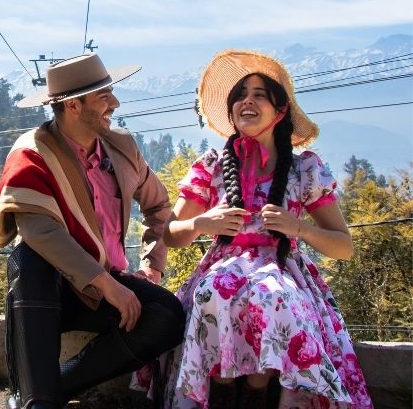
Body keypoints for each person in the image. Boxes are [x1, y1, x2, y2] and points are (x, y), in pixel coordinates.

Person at [131, 50, 372, 408]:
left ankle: (258, 393)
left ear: (280, 110)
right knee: (215, 292)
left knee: (274, 295)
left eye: (260, 94)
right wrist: (202, 222)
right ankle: (225, 391)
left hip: (282, 264)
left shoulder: (304, 168)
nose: (247, 101)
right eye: (240, 95)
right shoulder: (212, 166)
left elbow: (343, 247)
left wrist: (298, 228)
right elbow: (172, 233)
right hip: (221, 265)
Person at [0, 53, 186, 409]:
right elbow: (38, 229)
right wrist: (106, 282)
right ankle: (39, 399)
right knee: (30, 257)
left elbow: (159, 207)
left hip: (103, 289)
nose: (114, 103)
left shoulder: (122, 148)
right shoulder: (32, 153)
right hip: (50, 290)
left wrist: (152, 266)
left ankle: (51, 392)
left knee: (168, 316)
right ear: (72, 105)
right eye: (103, 97)